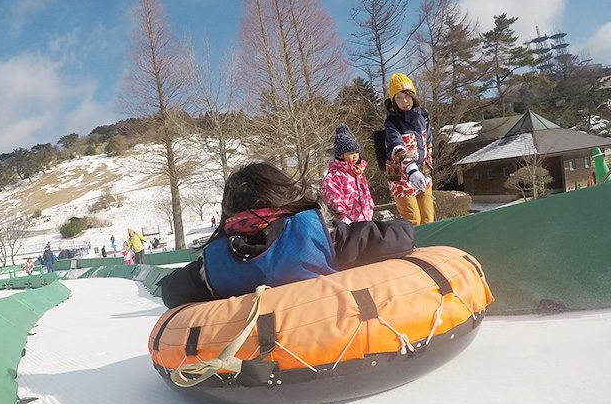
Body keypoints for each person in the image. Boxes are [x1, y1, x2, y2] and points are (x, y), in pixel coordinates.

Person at [159, 161, 415, 308]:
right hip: (326, 338)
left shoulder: (213, 265)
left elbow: (171, 292)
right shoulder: (321, 236)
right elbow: (399, 238)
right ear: (283, 198)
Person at [384, 73, 434, 226]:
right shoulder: (392, 123)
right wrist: (411, 169)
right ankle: (413, 242)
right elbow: (396, 147)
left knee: (428, 219)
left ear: (413, 96)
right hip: (401, 179)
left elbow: (428, 144)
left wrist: (427, 170)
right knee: (414, 221)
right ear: (393, 101)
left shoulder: (423, 117)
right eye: (398, 98)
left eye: (406, 96)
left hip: (423, 174)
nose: (404, 101)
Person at [321, 124, 375, 223]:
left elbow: (366, 193)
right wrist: (343, 217)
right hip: (348, 223)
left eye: (356, 152)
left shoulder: (358, 172)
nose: (355, 156)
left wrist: (370, 208)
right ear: (341, 155)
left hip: (365, 218)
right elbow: (333, 199)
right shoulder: (335, 176)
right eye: (351, 153)